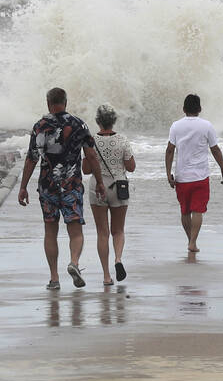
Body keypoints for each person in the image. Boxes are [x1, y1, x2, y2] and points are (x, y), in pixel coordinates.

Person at [18, 87, 106, 290]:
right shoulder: (78, 124)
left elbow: (31, 159)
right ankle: (74, 262)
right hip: (71, 186)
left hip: (47, 187)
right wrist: (100, 182)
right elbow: (91, 156)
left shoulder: (39, 126)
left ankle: (54, 278)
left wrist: (23, 187)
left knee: (50, 231)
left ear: (48, 104)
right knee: (75, 231)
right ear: (65, 103)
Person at [165, 93, 223, 253]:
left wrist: (168, 174)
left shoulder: (176, 126)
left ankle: (190, 240)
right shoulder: (206, 125)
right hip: (200, 176)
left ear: (183, 109)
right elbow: (215, 149)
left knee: (185, 210)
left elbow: (169, 150)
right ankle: (193, 241)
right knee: (198, 210)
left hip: (181, 176)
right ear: (200, 109)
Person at [88, 103, 135, 285]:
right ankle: (118, 259)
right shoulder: (122, 140)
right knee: (118, 230)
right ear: (114, 121)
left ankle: (107, 276)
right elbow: (131, 167)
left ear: (98, 121)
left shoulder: (91, 140)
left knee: (102, 233)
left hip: (97, 187)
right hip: (119, 187)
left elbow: (85, 169)